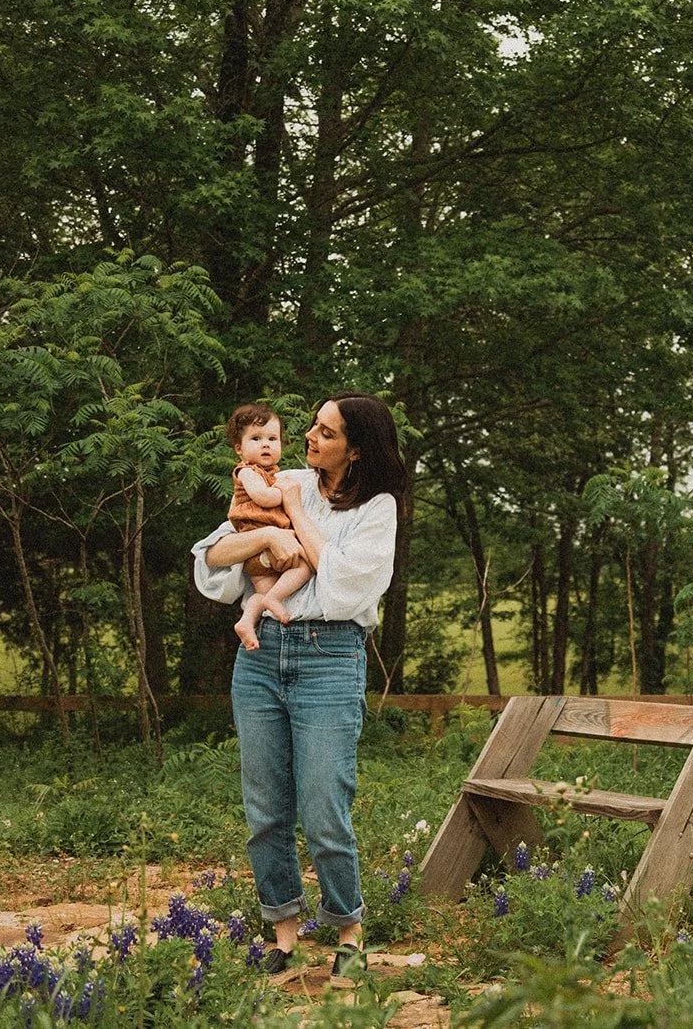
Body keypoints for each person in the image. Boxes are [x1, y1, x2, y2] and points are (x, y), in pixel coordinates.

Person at [191, 392, 407, 977]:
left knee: (324, 808)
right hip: (261, 656)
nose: (310, 437)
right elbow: (212, 557)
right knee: (265, 808)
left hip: (330, 657)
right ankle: (284, 935)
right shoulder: (283, 478)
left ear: (355, 449)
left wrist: (296, 516)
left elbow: (344, 585)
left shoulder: (376, 508)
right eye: (311, 426)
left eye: (326, 432)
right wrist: (263, 539)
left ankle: (349, 934)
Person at [225, 404, 314, 651]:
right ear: (239, 450)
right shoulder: (247, 472)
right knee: (307, 563)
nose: (266, 444)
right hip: (260, 546)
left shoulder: (272, 473)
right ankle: (276, 598)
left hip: (256, 557)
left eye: (272, 439)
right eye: (256, 438)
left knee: (261, 595)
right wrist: (284, 491)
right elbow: (263, 498)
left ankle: (246, 622)